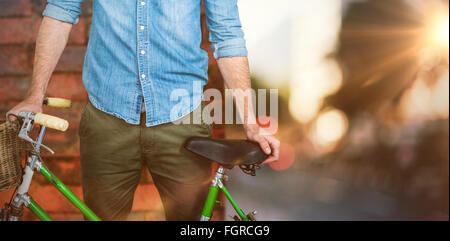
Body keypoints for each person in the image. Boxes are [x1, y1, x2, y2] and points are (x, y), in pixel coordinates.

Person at [6, 0, 280, 221]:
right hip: (107, 115)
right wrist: (34, 96)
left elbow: (227, 33)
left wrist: (250, 124)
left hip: (183, 118)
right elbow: (60, 11)